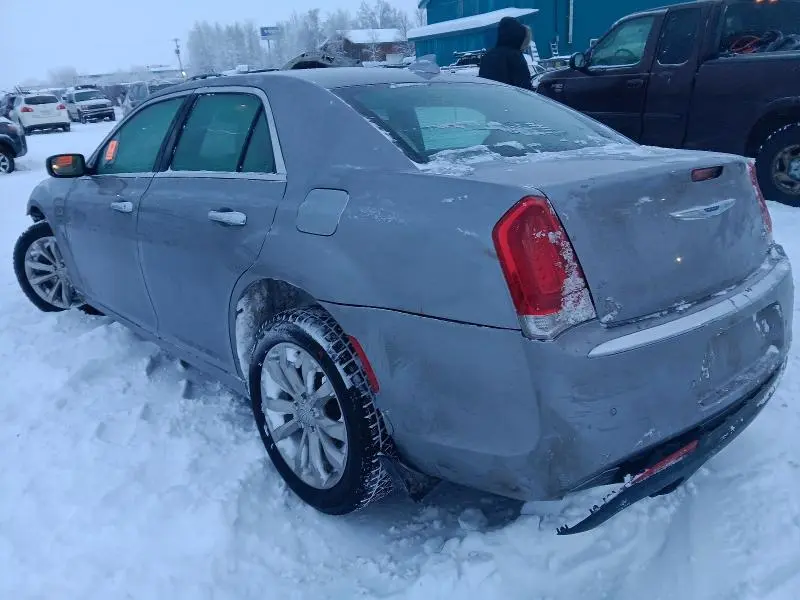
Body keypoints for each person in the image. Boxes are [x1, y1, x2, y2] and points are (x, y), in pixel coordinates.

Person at [478, 17, 534, 90]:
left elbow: (482, 83)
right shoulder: (515, 56)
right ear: (518, 37)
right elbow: (525, 88)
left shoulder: (488, 55)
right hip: (510, 99)